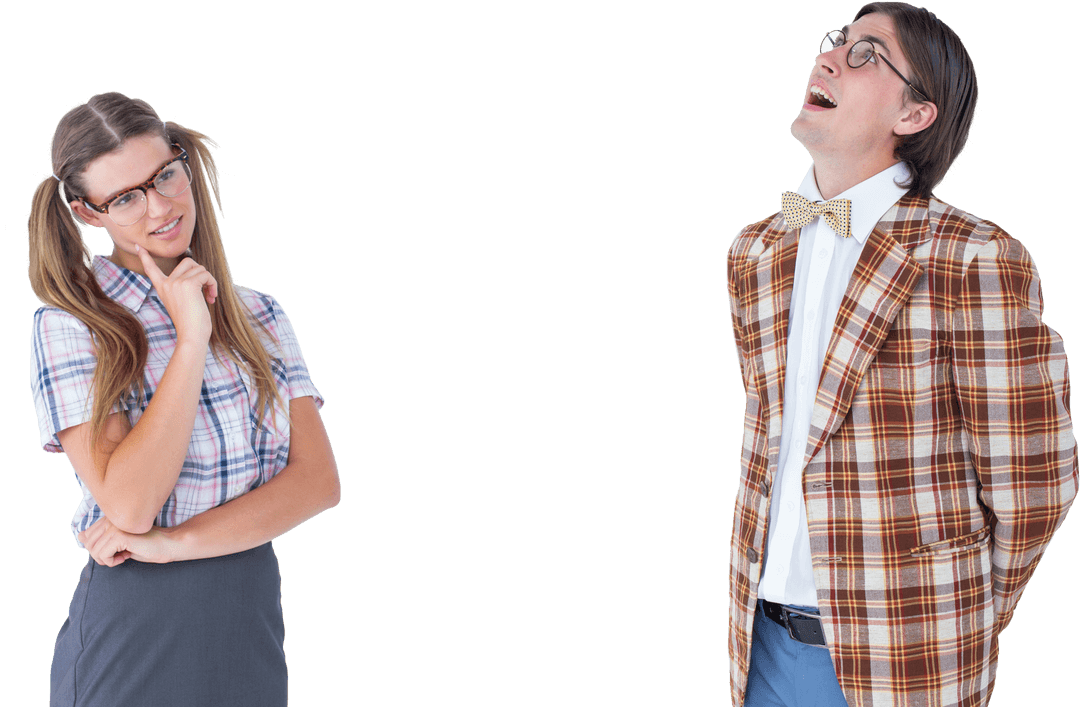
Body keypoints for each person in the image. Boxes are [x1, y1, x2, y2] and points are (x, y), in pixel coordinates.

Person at [724, 3, 1077, 706]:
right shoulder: (756, 250)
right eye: (834, 42)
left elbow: (1037, 481)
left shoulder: (972, 256)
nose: (827, 58)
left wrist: (963, 610)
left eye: (865, 55)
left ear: (915, 115)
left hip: (904, 658)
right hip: (757, 644)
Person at [28, 92, 341, 707]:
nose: (160, 207)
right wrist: (191, 335)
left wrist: (177, 544)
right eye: (125, 198)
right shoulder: (69, 325)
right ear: (89, 214)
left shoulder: (258, 311)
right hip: (136, 626)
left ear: (183, 161)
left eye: (164, 175)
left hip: (248, 616)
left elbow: (318, 483)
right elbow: (131, 504)